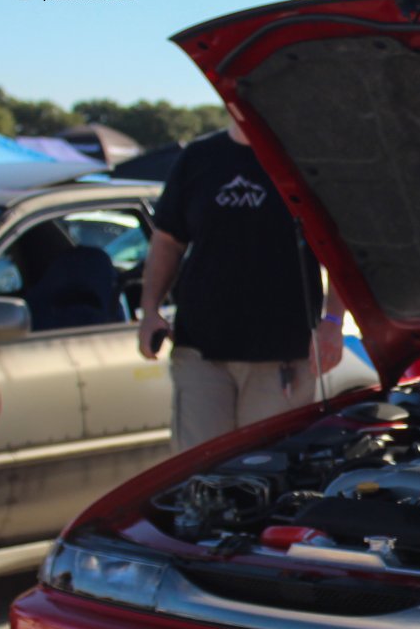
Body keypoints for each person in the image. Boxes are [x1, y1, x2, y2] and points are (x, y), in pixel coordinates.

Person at [137, 122, 345, 453]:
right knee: (199, 473)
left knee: (267, 470)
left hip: (282, 355)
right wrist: (150, 312)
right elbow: (166, 242)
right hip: (200, 350)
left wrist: (333, 322)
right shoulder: (198, 158)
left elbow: (340, 247)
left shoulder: (305, 160)